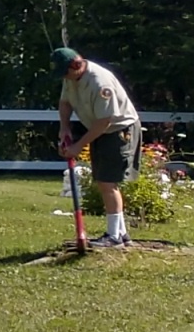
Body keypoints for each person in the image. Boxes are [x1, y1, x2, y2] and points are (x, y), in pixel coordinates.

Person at [51, 45, 140, 247]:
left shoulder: (100, 83)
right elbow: (65, 102)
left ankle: (113, 237)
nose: (64, 78)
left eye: (65, 73)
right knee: (103, 180)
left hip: (118, 130)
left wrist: (78, 146)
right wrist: (65, 128)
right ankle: (122, 233)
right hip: (99, 129)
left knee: (108, 182)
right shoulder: (71, 78)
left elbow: (104, 121)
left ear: (76, 65)